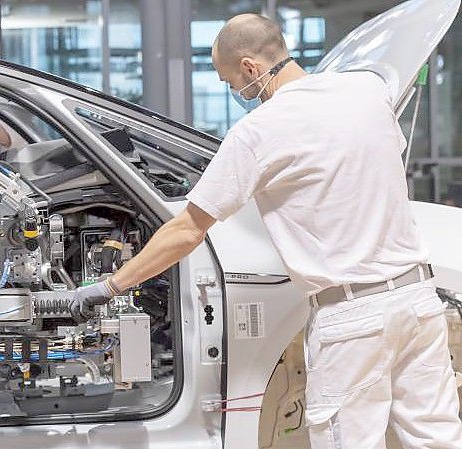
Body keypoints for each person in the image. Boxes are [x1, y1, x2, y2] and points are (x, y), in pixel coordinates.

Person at [69, 13, 462, 449]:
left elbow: (188, 229)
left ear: (251, 68)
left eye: (228, 80)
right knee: (436, 438)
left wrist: (110, 286)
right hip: (418, 301)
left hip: (353, 320)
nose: (233, 91)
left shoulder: (259, 131)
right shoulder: (368, 91)